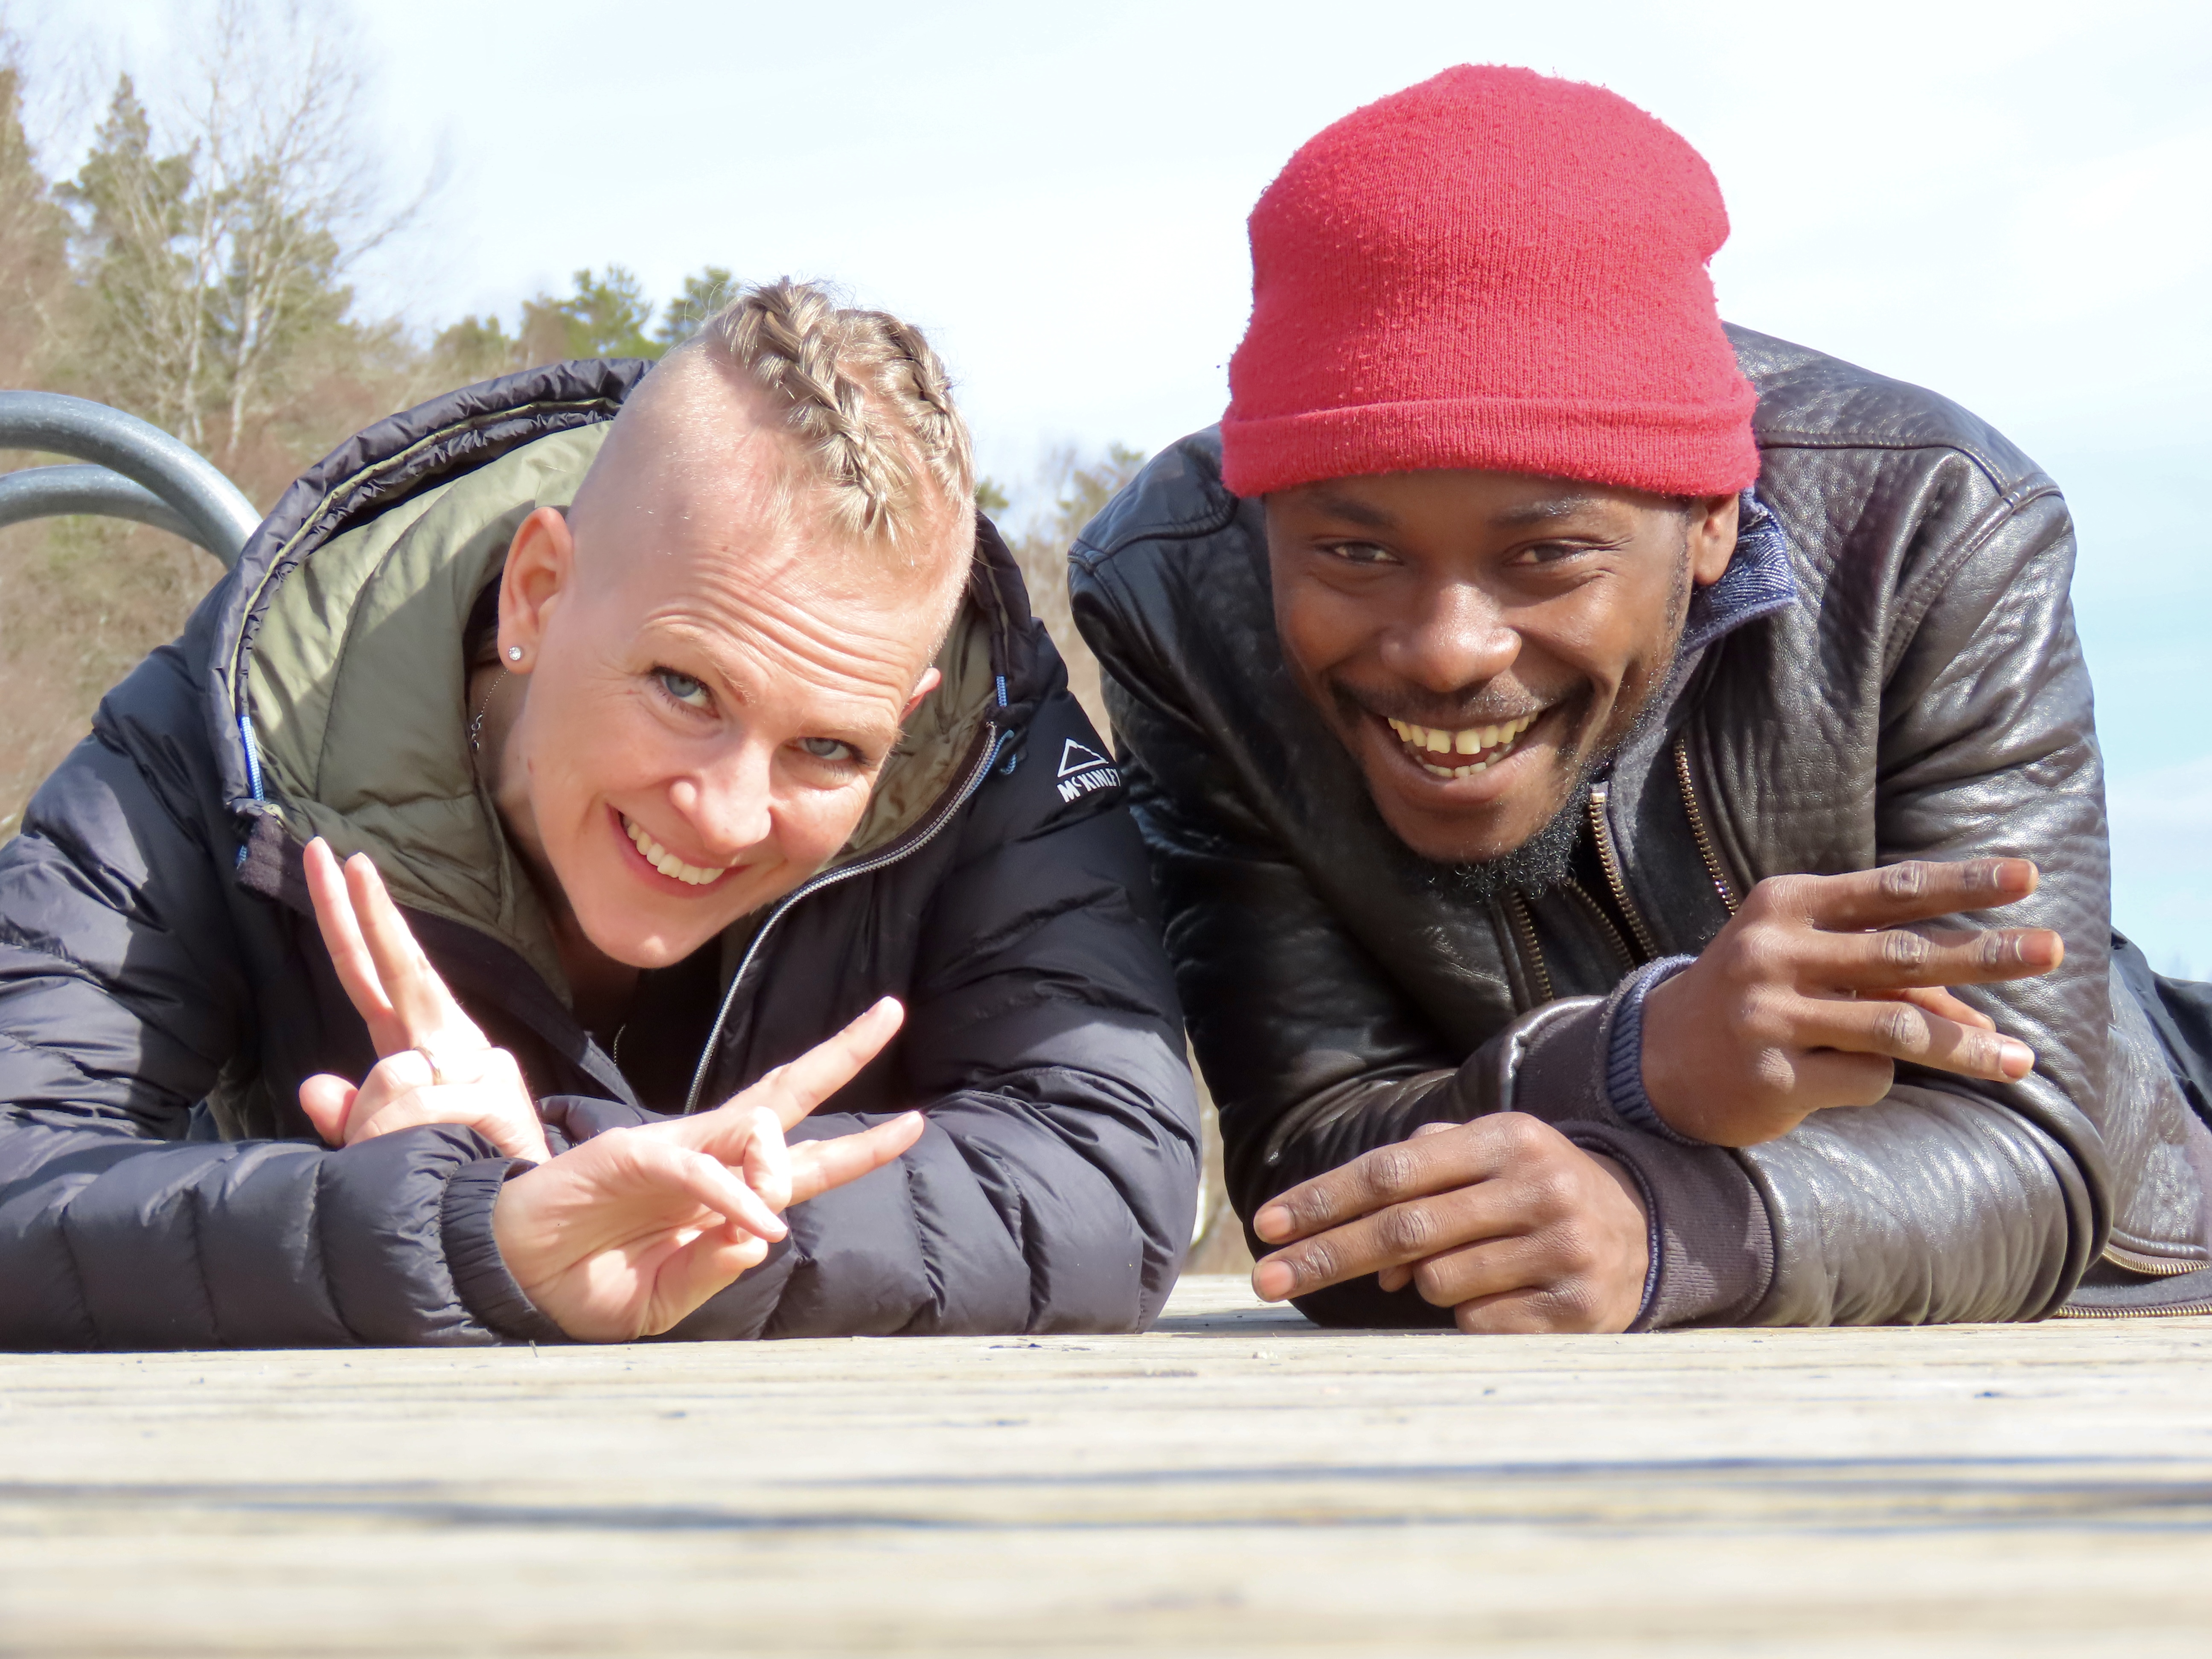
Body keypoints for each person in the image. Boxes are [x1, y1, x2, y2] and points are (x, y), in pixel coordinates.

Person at [1071, 66, 2212, 1332]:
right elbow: (1313, 1178)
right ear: (1262, 519)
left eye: (1545, 556)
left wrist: (1670, 1222)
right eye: (1357, 553)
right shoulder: (1175, 594)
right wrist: (1642, 1064)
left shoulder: (1933, 531)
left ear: (1713, 516)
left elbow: (2034, 1146)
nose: (1449, 651)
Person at [0, 280, 1199, 1349]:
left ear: (908, 708)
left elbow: (1107, 1171)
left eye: (828, 749)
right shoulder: (236, 721)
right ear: (536, 593)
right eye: (686, 689)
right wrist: (444, 1226)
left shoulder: (987, 735)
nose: (729, 817)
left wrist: (559, 1195)